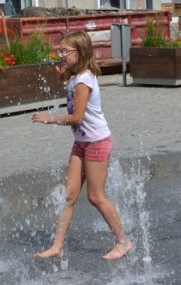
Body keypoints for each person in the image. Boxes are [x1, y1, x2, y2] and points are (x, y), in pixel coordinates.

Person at [32, 31, 132, 260]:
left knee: (96, 196)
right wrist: (63, 77)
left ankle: (123, 241)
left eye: (65, 51)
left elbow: (77, 117)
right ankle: (57, 246)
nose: (61, 55)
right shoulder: (77, 77)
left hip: (96, 141)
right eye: (59, 51)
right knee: (69, 195)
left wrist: (51, 119)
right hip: (82, 142)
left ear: (81, 52)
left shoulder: (84, 81)